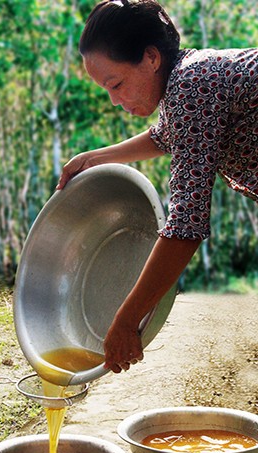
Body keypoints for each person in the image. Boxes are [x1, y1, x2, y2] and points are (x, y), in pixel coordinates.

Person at [58, 0, 258, 375]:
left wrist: (127, 319)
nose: (115, 100)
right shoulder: (189, 77)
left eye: (115, 84)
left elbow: (186, 226)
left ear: (150, 58)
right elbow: (168, 136)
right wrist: (95, 158)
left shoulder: (191, 85)